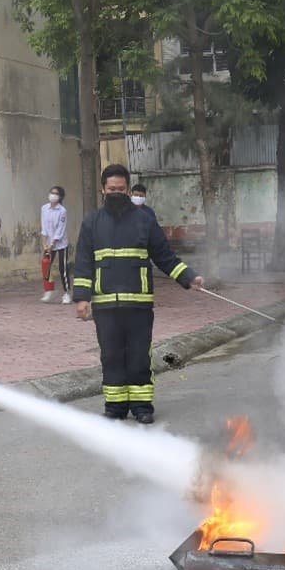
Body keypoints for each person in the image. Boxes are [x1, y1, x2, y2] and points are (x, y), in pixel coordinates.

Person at [73, 164, 203, 425]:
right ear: (103, 190)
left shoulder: (144, 220)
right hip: (106, 304)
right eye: (112, 189)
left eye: (121, 189)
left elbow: (164, 255)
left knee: (138, 355)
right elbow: (83, 262)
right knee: (111, 355)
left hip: (139, 304)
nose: (117, 193)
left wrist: (187, 277)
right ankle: (115, 406)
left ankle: (142, 406)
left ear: (129, 189)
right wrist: (82, 298)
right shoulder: (92, 223)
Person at [41, 186, 70, 303]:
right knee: (46, 265)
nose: (53, 195)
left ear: (60, 197)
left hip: (60, 243)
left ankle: (67, 292)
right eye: (51, 192)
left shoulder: (62, 211)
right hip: (48, 244)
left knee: (62, 268)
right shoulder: (44, 208)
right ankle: (49, 290)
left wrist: (53, 243)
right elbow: (44, 226)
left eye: (56, 193)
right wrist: (44, 243)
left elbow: (60, 229)